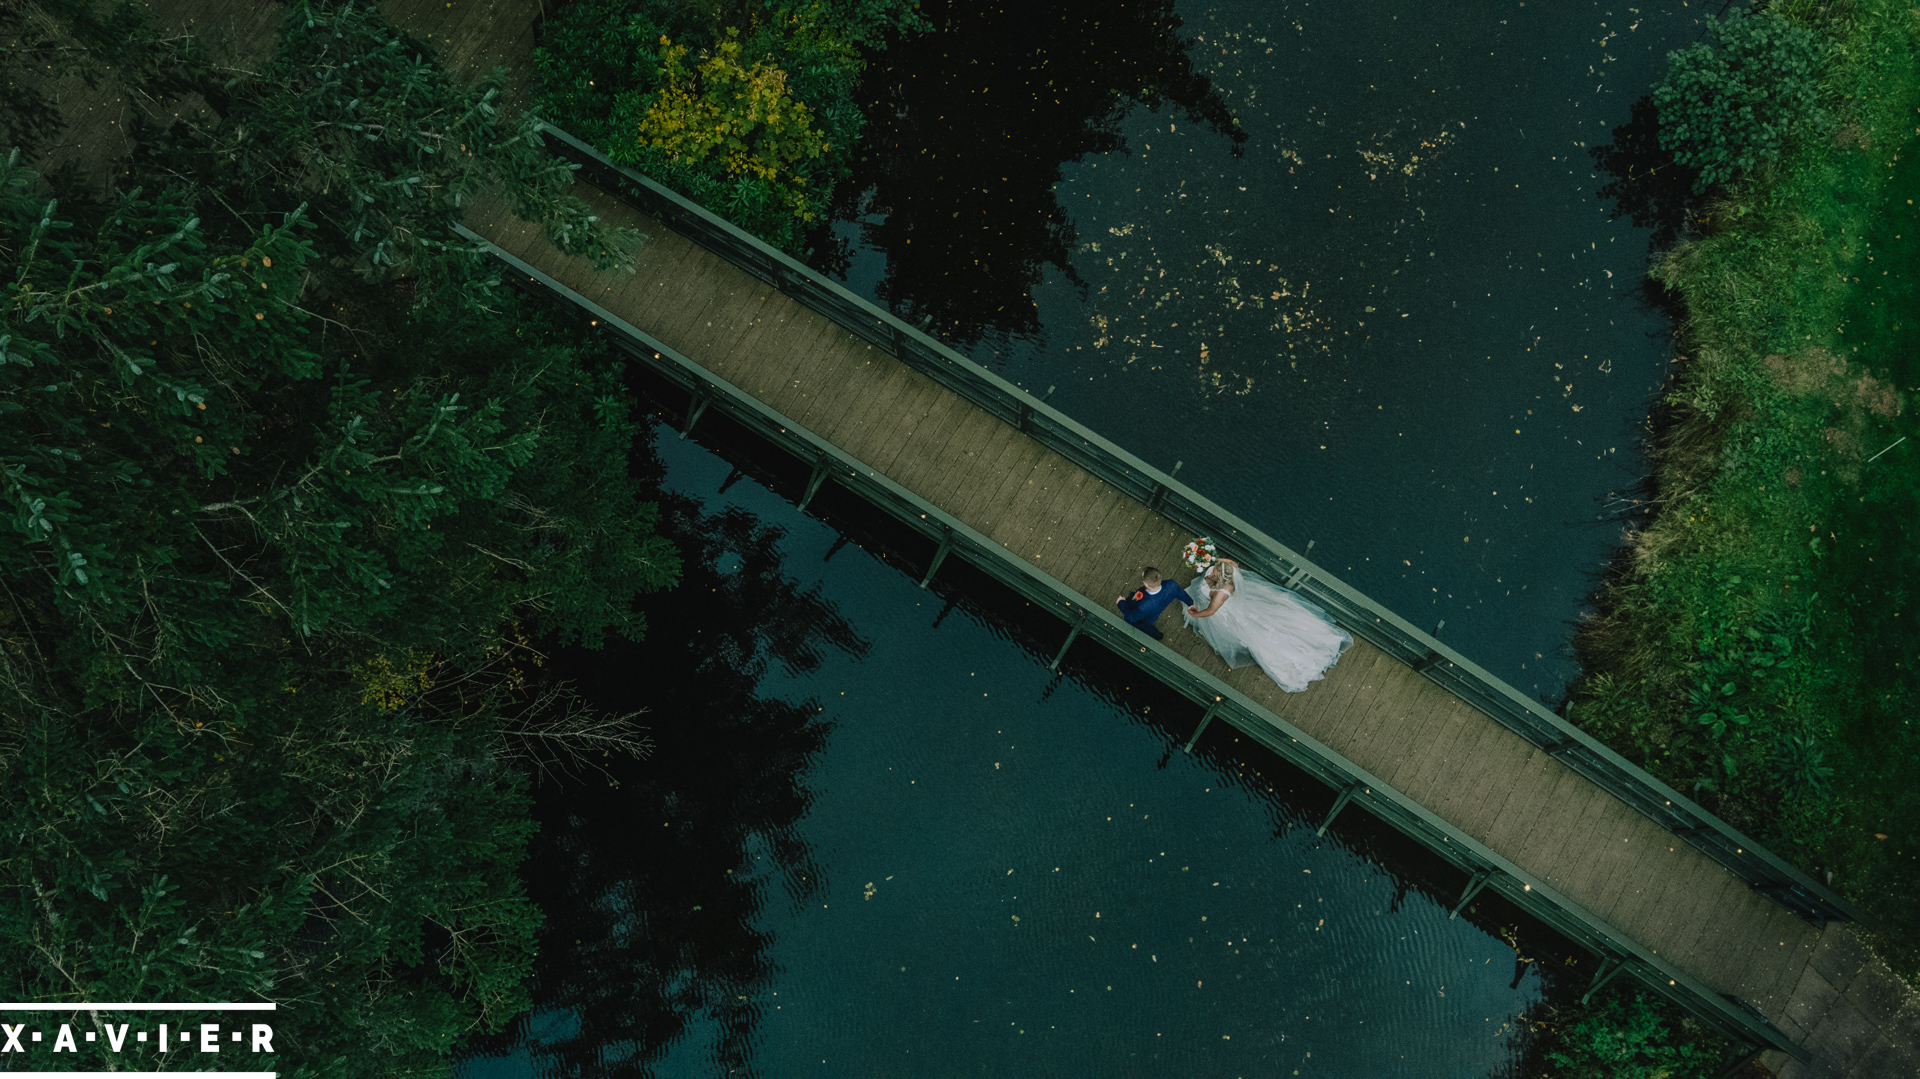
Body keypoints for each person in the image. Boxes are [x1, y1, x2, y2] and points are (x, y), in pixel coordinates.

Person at [1183, 559, 1351, 692]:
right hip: (1245, 604)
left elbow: (1211, 611)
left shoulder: (1222, 592)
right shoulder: (1227, 572)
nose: (1214, 571)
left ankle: (1303, 655)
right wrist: (1207, 558)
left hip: (1231, 613)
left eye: (1216, 571)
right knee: (1274, 620)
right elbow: (1232, 564)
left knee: (1261, 635)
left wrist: (1196, 614)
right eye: (1215, 569)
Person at [1116, 566, 1192, 641]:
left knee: (1145, 626)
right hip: (1154, 609)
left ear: (1146, 584)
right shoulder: (1171, 585)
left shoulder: (1144, 606)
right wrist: (1190, 603)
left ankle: (1157, 636)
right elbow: (1182, 594)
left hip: (1145, 618)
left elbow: (1131, 617)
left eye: (1142, 578)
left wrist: (1121, 603)